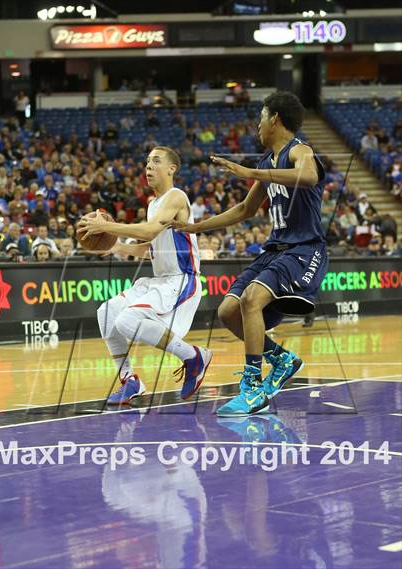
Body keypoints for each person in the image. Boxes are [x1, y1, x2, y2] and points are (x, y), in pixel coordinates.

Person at [173, 91, 328, 416]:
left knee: (252, 299)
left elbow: (310, 175)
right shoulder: (265, 162)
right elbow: (245, 209)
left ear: (275, 119)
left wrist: (251, 173)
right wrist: (195, 228)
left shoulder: (299, 150)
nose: (257, 125)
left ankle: (253, 386)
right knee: (229, 310)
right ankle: (281, 359)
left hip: (304, 249)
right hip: (275, 250)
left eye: (261, 117)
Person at [78, 146, 212, 405]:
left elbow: (150, 231)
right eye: (147, 162)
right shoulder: (153, 205)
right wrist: (116, 246)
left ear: (172, 169)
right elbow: (150, 246)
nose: (148, 167)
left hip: (182, 279)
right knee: (106, 313)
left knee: (128, 320)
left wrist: (105, 226)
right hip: (160, 281)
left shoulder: (176, 196)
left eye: (156, 162)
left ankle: (194, 356)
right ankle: (130, 380)